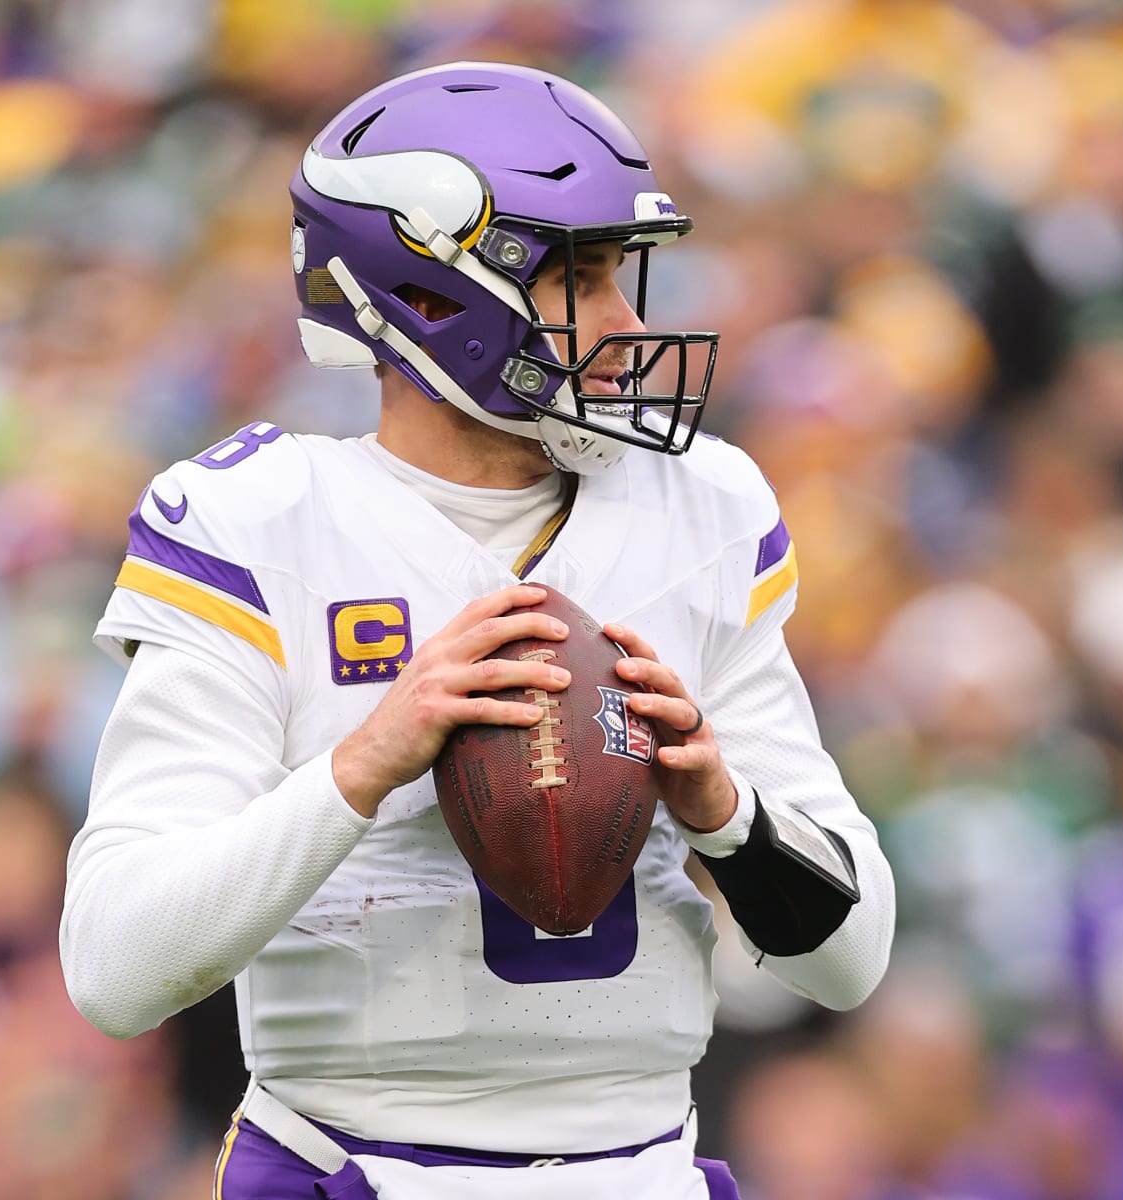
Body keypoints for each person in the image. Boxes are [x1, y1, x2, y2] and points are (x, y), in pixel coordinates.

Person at [60, 61, 895, 1200]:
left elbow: (853, 959)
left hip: (638, 1172)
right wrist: (364, 765)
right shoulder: (259, 524)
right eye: (583, 278)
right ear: (434, 293)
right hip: (350, 1167)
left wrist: (724, 814)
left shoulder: (703, 505)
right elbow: (115, 967)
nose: (628, 321)